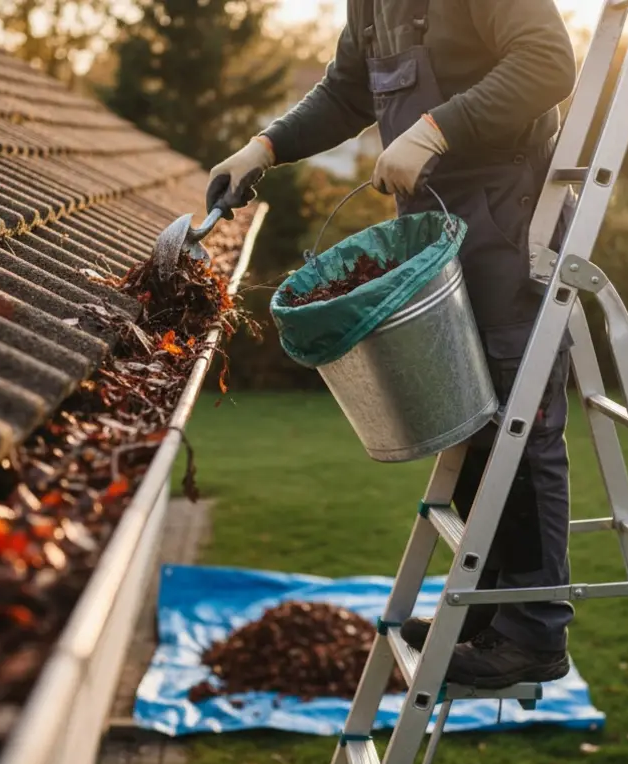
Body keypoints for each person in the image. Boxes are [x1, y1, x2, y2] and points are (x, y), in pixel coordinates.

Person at [205, 0, 580, 690]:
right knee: (468, 419)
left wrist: (436, 129)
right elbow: (349, 90)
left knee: (517, 422)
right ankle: (488, 609)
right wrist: (263, 149)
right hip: (438, 222)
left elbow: (549, 62)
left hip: (508, 213)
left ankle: (534, 630)